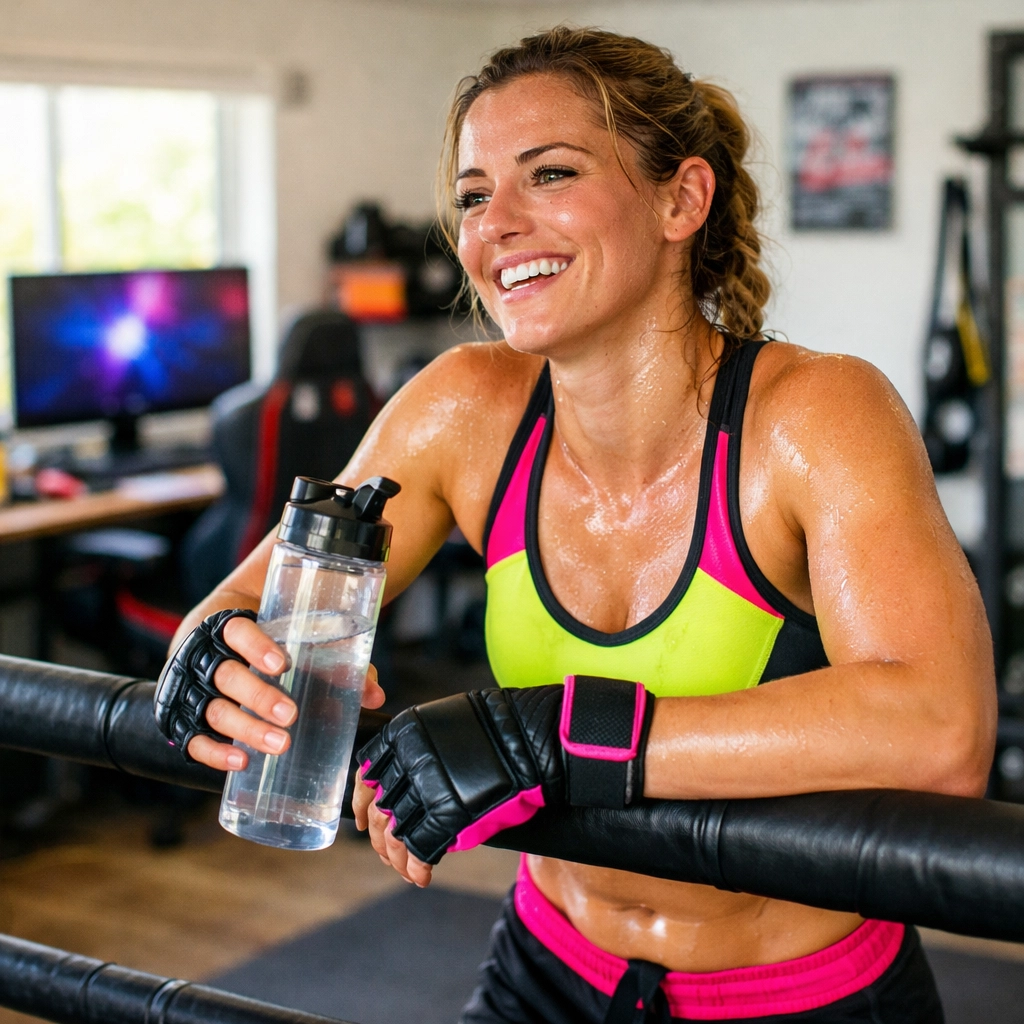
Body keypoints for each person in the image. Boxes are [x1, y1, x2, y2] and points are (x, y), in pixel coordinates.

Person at [167, 27, 996, 1024]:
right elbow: (254, 598)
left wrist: (553, 738)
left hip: (797, 998)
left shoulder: (813, 416)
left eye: (547, 175)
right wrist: (214, 650)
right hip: (549, 971)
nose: (495, 226)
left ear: (680, 199)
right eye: (474, 196)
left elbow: (940, 730)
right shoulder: (463, 409)